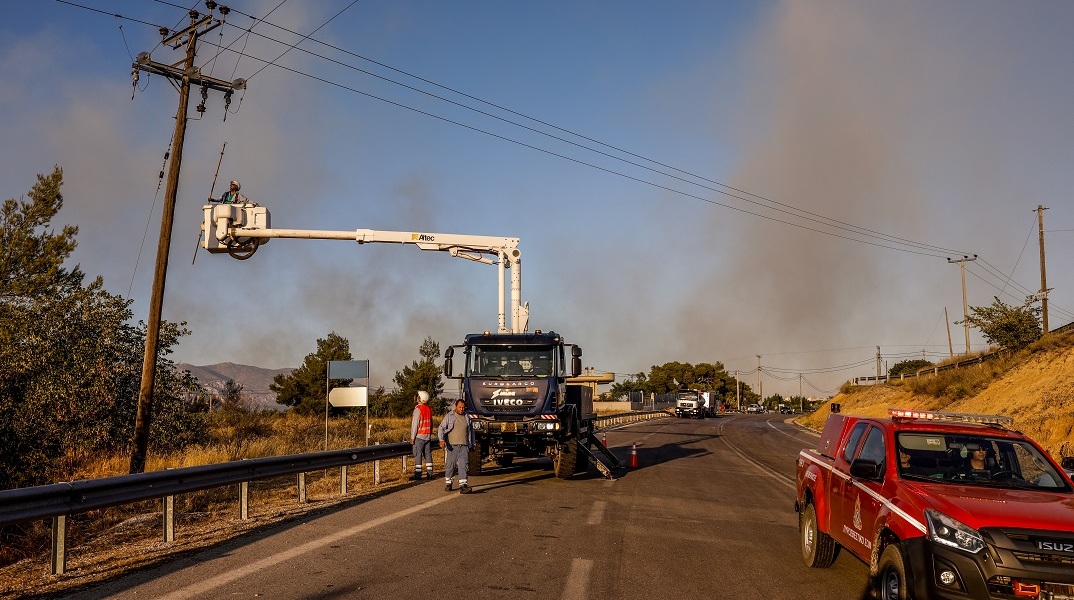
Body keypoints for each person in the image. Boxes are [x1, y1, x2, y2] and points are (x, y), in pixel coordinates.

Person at [438, 399, 475, 494]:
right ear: (456, 406)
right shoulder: (450, 416)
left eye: (463, 407)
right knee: (450, 466)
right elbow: (441, 428)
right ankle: (449, 483)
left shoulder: (467, 417)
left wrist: (472, 444)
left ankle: (463, 486)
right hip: (452, 446)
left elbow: (471, 432)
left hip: (464, 446)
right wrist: (441, 440)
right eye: (460, 407)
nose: (462, 409)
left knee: (463, 466)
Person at [409, 391, 434, 481]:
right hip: (427, 436)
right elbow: (431, 423)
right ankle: (430, 473)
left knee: (417, 454)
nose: (416, 397)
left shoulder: (418, 409)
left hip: (419, 436)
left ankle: (418, 474)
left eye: (418, 396)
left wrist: (412, 437)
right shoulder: (428, 409)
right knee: (427, 454)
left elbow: (415, 424)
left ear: (420, 398)